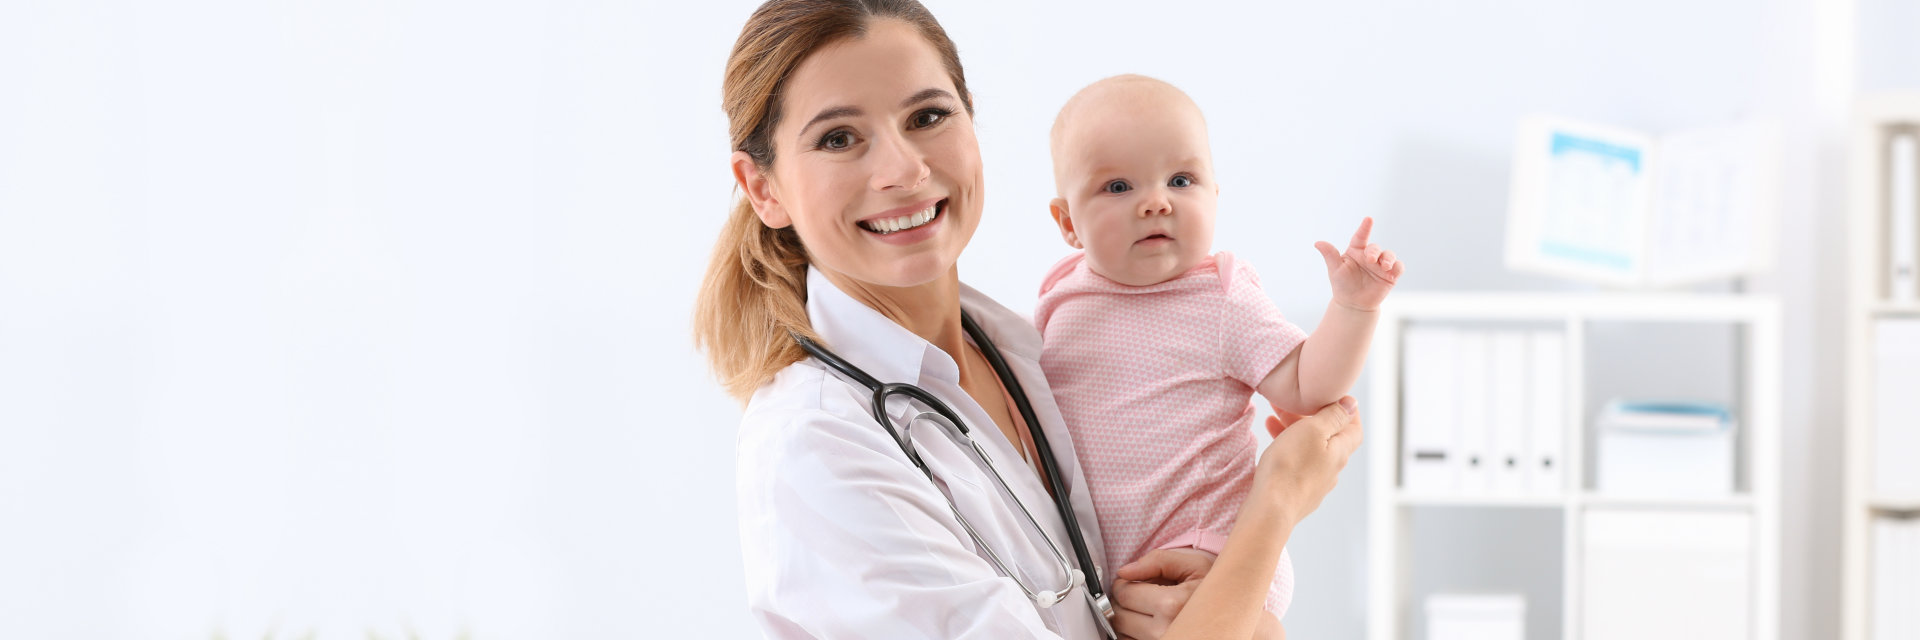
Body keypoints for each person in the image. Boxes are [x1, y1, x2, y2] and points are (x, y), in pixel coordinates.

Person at [692, 1, 1362, 637]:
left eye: (927, 117)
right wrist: (1273, 506)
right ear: (763, 188)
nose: (903, 168)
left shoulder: (1033, 344)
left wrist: (1229, 610)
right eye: (839, 138)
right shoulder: (819, 450)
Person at [1034, 75, 1405, 635]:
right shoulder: (1061, 296)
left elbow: (1308, 387)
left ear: (1214, 196)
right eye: (1117, 187)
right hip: (1100, 567)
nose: (1156, 202)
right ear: (1067, 223)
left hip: (1213, 546)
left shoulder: (1221, 297)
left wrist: (1353, 308)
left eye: (1181, 180)